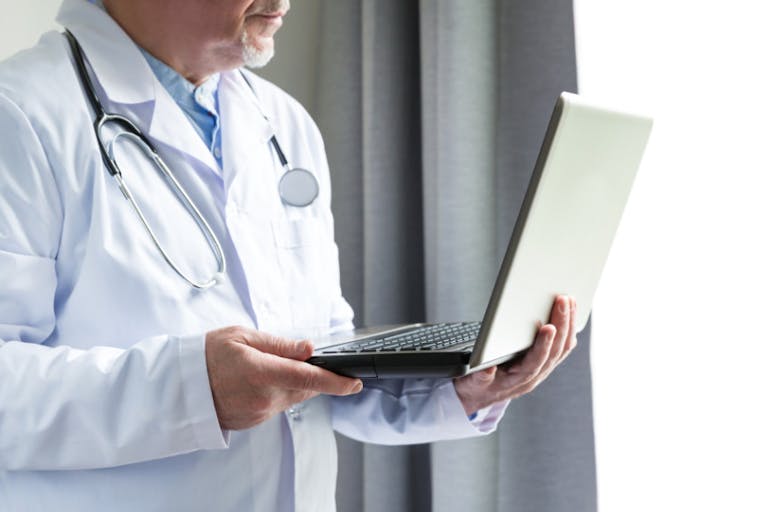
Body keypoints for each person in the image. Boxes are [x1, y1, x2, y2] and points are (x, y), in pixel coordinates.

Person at [0, 0, 578, 510]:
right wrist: (192, 388)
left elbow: (318, 359)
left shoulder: (283, 123)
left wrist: (457, 388)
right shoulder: (21, 116)